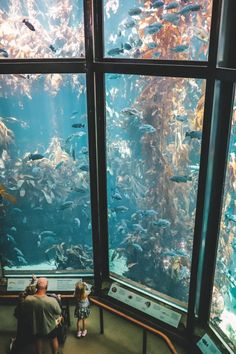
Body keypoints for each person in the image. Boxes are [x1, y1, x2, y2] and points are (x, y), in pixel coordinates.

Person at [21, 277, 62, 354]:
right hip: (49, 327)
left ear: (36, 287)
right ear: (46, 287)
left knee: (38, 339)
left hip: (35, 326)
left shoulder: (28, 299)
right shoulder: (52, 301)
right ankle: (55, 352)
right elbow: (58, 312)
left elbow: (24, 306)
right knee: (53, 338)